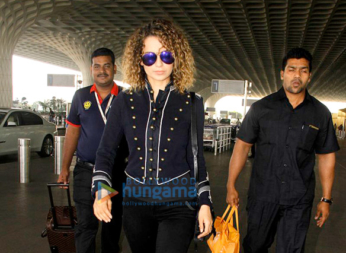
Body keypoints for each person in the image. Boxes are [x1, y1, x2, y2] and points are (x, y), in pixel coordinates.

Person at [92, 19, 213, 253]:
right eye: (150, 57)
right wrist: (101, 191)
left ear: (176, 58)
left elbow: (196, 158)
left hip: (179, 202)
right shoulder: (124, 101)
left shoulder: (192, 102)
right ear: (140, 61)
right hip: (136, 202)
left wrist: (205, 203)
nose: (159, 63)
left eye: (166, 55)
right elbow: (106, 151)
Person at [226, 47, 339, 253]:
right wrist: (230, 184)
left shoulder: (320, 113)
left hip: (298, 198)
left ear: (309, 75)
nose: (297, 75)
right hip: (263, 195)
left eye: (303, 70)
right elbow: (242, 147)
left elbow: (326, 157)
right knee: (255, 246)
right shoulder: (261, 108)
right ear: (282, 74)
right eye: (291, 69)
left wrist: (326, 198)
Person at [57, 48, 128, 253]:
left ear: (114, 68)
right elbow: (72, 133)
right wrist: (64, 169)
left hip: (114, 172)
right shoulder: (81, 96)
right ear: (91, 69)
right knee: (86, 224)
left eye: (107, 66)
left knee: (111, 224)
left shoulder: (126, 97)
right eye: (97, 66)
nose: (102, 71)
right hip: (86, 170)